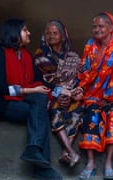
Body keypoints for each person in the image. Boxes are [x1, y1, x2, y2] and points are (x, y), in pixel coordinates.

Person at [0, 18, 62, 179]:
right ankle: (41, 168)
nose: (29, 33)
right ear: (14, 33)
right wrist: (30, 90)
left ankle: (33, 150)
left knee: (40, 99)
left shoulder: (25, 55)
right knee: (40, 113)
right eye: (25, 30)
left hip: (20, 98)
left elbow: (40, 80)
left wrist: (60, 91)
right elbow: (1, 88)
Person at [72, 12, 113, 180]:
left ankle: (108, 163)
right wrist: (80, 89)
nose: (97, 30)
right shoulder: (89, 45)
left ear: (111, 28)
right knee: (91, 115)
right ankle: (91, 164)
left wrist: (108, 95)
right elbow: (84, 71)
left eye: (101, 26)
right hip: (93, 94)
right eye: (94, 26)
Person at [34, 19, 83, 167]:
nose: (51, 36)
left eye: (55, 33)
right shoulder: (39, 54)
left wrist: (75, 92)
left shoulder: (73, 55)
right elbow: (41, 80)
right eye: (48, 33)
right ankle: (70, 151)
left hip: (71, 93)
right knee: (55, 109)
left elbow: (80, 77)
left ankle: (64, 152)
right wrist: (60, 92)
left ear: (63, 35)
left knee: (78, 111)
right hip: (51, 93)